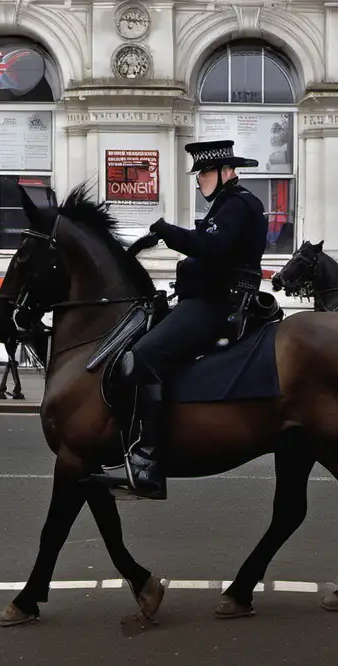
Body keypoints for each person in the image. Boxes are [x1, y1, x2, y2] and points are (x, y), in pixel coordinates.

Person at [102, 139, 269, 500]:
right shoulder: (228, 205)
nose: (199, 180)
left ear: (226, 172)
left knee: (145, 354)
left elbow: (210, 248)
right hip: (207, 298)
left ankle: (149, 456)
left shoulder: (238, 205)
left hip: (217, 304)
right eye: (199, 174)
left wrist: (165, 229)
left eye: (205, 172)